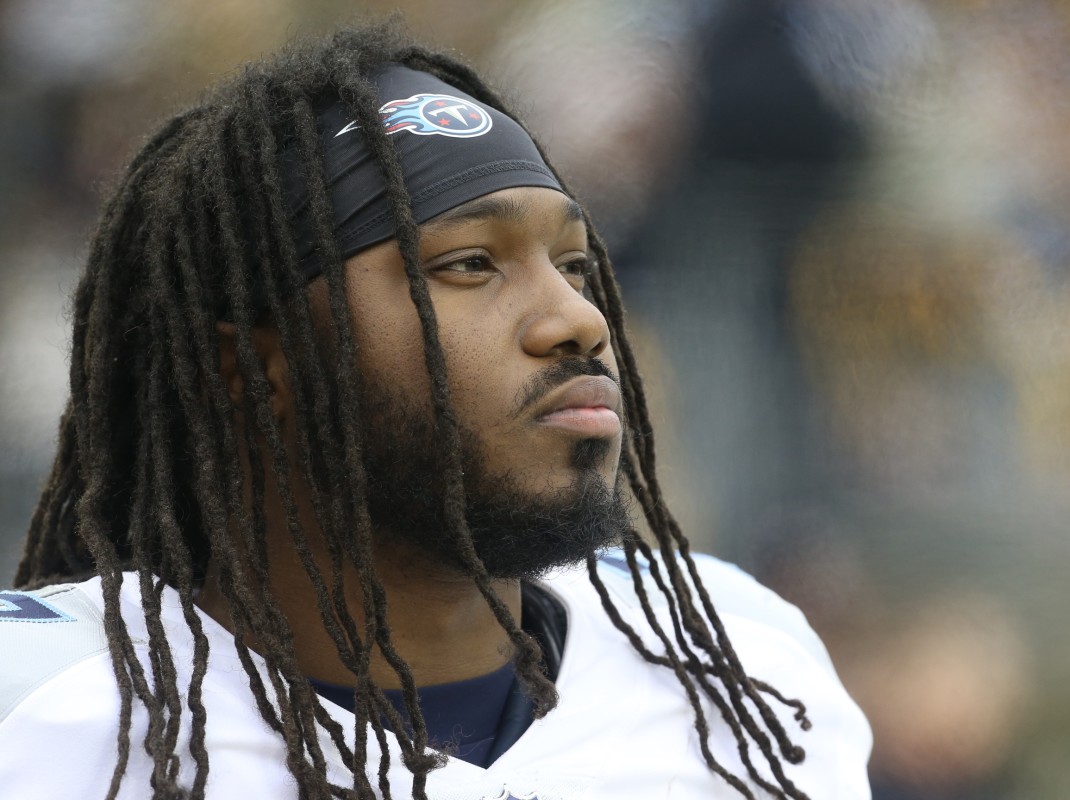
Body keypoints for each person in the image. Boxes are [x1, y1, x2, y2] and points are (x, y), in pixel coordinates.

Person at [0, 19, 871, 800]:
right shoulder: (45, 712)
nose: (578, 319)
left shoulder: (746, 669)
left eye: (573, 265)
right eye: (468, 266)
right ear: (255, 363)